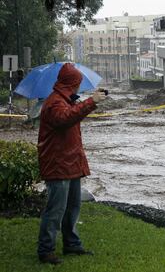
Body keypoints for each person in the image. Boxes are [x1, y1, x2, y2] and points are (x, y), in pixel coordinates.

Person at [37, 63, 107, 265]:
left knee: (72, 207)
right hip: (59, 164)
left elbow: (71, 114)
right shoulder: (54, 103)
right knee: (56, 210)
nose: (79, 87)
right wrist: (90, 102)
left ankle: (72, 244)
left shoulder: (65, 100)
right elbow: (64, 119)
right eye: (77, 83)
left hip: (70, 162)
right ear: (71, 83)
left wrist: (86, 101)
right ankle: (46, 250)